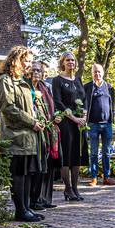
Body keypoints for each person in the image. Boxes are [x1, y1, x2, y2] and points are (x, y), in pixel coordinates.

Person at [0, 46, 46, 222]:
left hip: (28, 137)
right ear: (15, 60)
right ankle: (20, 210)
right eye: (26, 61)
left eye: (31, 61)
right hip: (15, 136)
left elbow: (29, 108)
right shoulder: (5, 81)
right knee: (18, 175)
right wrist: (32, 122)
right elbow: (8, 108)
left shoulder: (24, 82)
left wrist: (38, 120)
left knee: (26, 174)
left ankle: (26, 208)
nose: (29, 65)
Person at [51, 53, 86, 202]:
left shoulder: (78, 79)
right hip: (65, 123)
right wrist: (74, 118)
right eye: (67, 60)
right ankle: (68, 188)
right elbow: (58, 102)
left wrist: (84, 117)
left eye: (72, 60)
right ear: (62, 63)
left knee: (77, 155)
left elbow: (84, 99)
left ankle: (76, 188)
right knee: (66, 156)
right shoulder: (57, 80)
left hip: (79, 124)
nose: (71, 62)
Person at [27, 60, 61, 210]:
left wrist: (55, 117)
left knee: (45, 165)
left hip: (47, 130)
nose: (36, 73)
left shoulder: (45, 87)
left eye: (38, 71)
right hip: (32, 130)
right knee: (34, 166)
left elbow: (51, 108)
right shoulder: (26, 87)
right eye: (33, 70)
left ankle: (42, 199)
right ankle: (32, 200)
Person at [83, 63, 115, 186]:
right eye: (95, 72)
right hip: (93, 125)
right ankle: (94, 178)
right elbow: (84, 105)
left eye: (99, 71)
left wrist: (112, 118)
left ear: (102, 73)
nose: (97, 74)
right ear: (92, 73)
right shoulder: (87, 87)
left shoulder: (109, 87)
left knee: (106, 153)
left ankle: (106, 178)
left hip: (107, 125)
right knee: (93, 153)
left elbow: (112, 104)